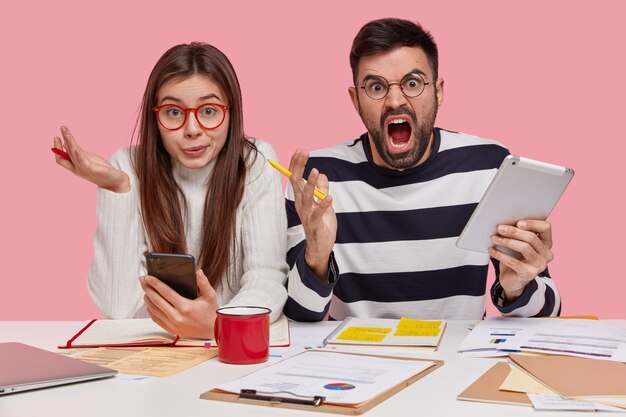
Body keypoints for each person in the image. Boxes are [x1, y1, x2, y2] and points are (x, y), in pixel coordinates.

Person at [284, 18, 560, 321]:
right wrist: (317, 257)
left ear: (438, 91)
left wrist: (517, 286)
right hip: (357, 361)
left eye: (413, 83)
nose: (395, 101)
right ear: (356, 100)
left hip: (459, 362)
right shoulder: (318, 178)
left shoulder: (488, 166)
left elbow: (550, 312)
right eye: (376, 87)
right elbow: (299, 317)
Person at [53, 42, 288, 338]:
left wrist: (219, 327)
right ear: (155, 116)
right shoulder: (126, 165)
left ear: (231, 112)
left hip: (229, 348)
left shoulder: (255, 161)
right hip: (156, 351)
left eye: (209, 110)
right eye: (174, 112)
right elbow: (117, 307)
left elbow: (266, 279)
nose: (192, 128)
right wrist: (116, 187)